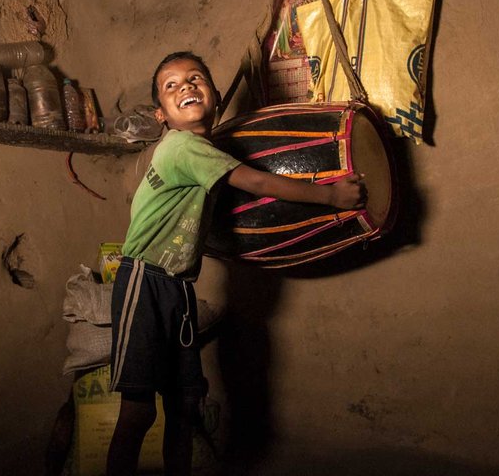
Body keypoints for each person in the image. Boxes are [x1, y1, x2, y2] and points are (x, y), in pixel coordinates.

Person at [106, 51, 366, 476]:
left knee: (183, 407)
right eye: (171, 86)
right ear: (161, 115)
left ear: (216, 94)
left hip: (176, 286)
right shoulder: (183, 146)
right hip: (145, 279)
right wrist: (330, 196)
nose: (185, 87)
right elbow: (258, 181)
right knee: (138, 411)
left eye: (195, 78)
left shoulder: (197, 149)